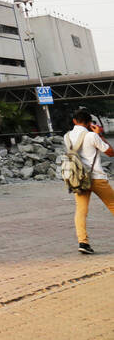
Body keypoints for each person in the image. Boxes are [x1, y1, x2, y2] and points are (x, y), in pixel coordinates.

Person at [67, 108, 114, 254]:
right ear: (88, 123)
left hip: (78, 179)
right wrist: (99, 134)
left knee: (81, 211)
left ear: (74, 121)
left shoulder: (67, 136)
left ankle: (83, 242)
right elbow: (111, 152)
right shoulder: (92, 136)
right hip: (96, 178)